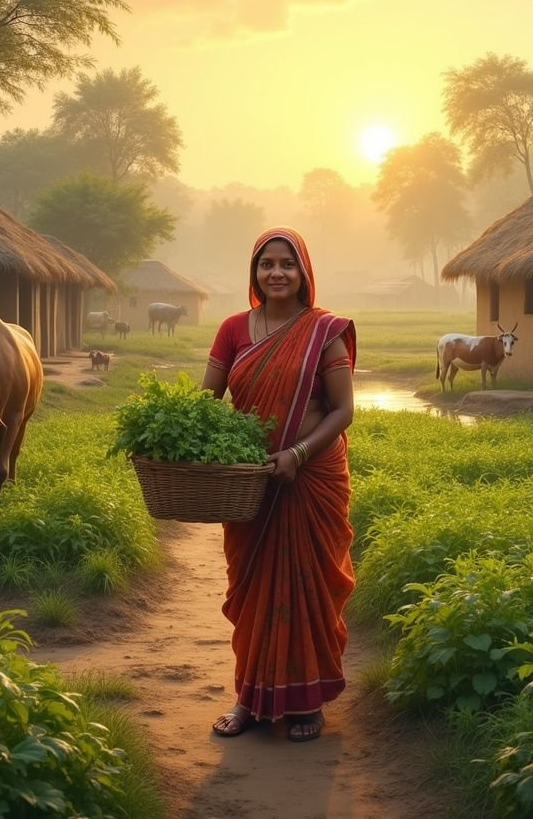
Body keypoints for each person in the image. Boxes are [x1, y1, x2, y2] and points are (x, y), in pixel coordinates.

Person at [201, 226, 357, 743]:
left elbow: (342, 410)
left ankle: (306, 701)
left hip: (311, 478)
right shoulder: (233, 330)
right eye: (266, 264)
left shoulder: (324, 331)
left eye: (287, 264)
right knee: (253, 594)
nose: (276, 273)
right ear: (254, 273)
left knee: (308, 585)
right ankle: (250, 698)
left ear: (304, 272)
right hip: (254, 484)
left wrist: (297, 452)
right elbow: (205, 406)